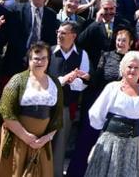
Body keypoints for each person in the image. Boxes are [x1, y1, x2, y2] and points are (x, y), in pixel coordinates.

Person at [0, 42, 65, 177]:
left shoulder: (55, 83)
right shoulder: (17, 80)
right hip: (17, 139)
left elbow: (57, 116)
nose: (40, 62)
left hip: (41, 142)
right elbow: (6, 113)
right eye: (36, 58)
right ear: (29, 60)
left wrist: (46, 138)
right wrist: (26, 137)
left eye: (44, 58)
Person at [69, 26, 134, 177]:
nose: (120, 43)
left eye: (124, 40)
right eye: (118, 40)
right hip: (101, 100)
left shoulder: (133, 59)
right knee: (87, 139)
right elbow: (96, 78)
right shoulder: (106, 55)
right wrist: (87, 76)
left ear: (130, 43)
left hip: (120, 107)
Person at [87, 51, 139, 177]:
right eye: (130, 67)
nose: (132, 70)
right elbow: (97, 113)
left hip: (132, 145)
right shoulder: (112, 88)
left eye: (136, 68)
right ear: (123, 68)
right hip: (110, 141)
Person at [49, 22, 91, 176]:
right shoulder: (49, 51)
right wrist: (63, 80)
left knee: (59, 146)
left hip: (66, 107)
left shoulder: (82, 54)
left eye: (63, 33)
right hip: (45, 107)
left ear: (73, 36)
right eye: (58, 32)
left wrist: (75, 81)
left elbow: (85, 81)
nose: (59, 35)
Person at [11, 0, 60, 74]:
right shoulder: (17, 11)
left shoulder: (51, 14)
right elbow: (13, 36)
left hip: (41, 62)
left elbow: (51, 40)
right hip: (18, 60)